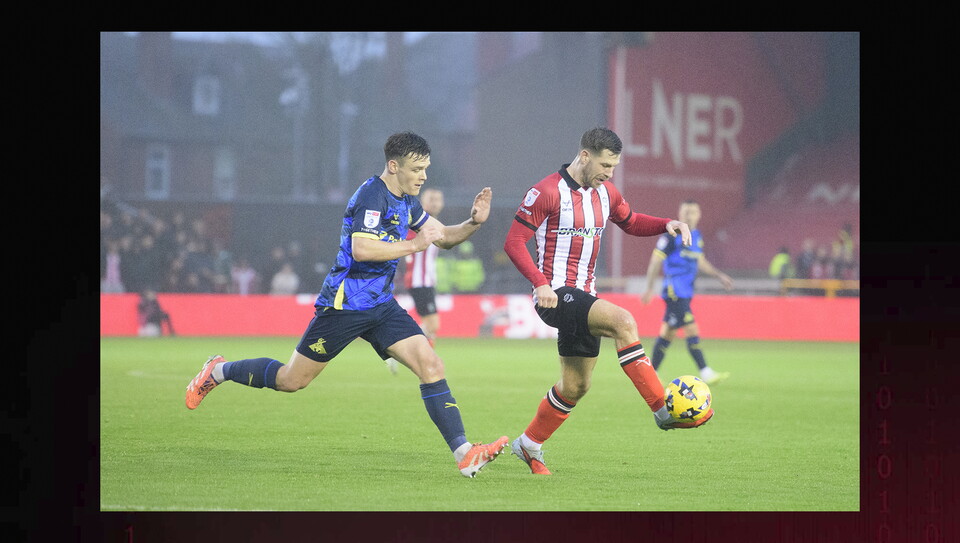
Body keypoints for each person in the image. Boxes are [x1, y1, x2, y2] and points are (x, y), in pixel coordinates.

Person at [185, 132, 508, 478]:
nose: (423, 176)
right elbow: (362, 249)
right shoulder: (372, 196)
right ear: (393, 166)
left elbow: (441, 237)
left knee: (431, 365)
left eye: (426, 168)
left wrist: (474, 222)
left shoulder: (408, 199)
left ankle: (464, 454)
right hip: (345, 303)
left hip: (381, 305)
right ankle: (218, 370)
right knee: (291, 380)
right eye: (417, 169)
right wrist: (414, 247)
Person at [502, 127, 705, 476]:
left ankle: (529, 444)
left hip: (584, 296)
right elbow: (514, 242)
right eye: (605, 165)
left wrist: (665, 224)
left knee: (576, 386)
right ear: (584, 156)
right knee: (623, 321)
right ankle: (662, 409)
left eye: (613, 167)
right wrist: (540, 283)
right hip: (555, 295)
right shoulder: (546, 191)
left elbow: (631, 221)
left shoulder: (605, 192)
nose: (609, 174)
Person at [641, 200, 734, 386]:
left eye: (693, 212)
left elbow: (700, 261)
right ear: (680, 213)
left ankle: (649, 374)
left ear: (699, 214)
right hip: (674, 290)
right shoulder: (671, 235)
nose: (689, 215)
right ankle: (705, 371)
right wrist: (649, 287)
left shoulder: (697, 236)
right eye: (686, 212)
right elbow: (655, 261)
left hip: (686, 292)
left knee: (668, 333)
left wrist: (719, 275)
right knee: (691, 328)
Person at [386, 188, 444, 375]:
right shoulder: (418, 223)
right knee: (432, 325)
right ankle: (400, 350)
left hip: (426, 281)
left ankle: (425, 361)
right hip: (419, 281)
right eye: (431, 199)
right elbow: (406, 240)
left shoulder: (433, 223)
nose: (434, 203)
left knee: (430, 327)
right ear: (423, 202)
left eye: (437, 199)